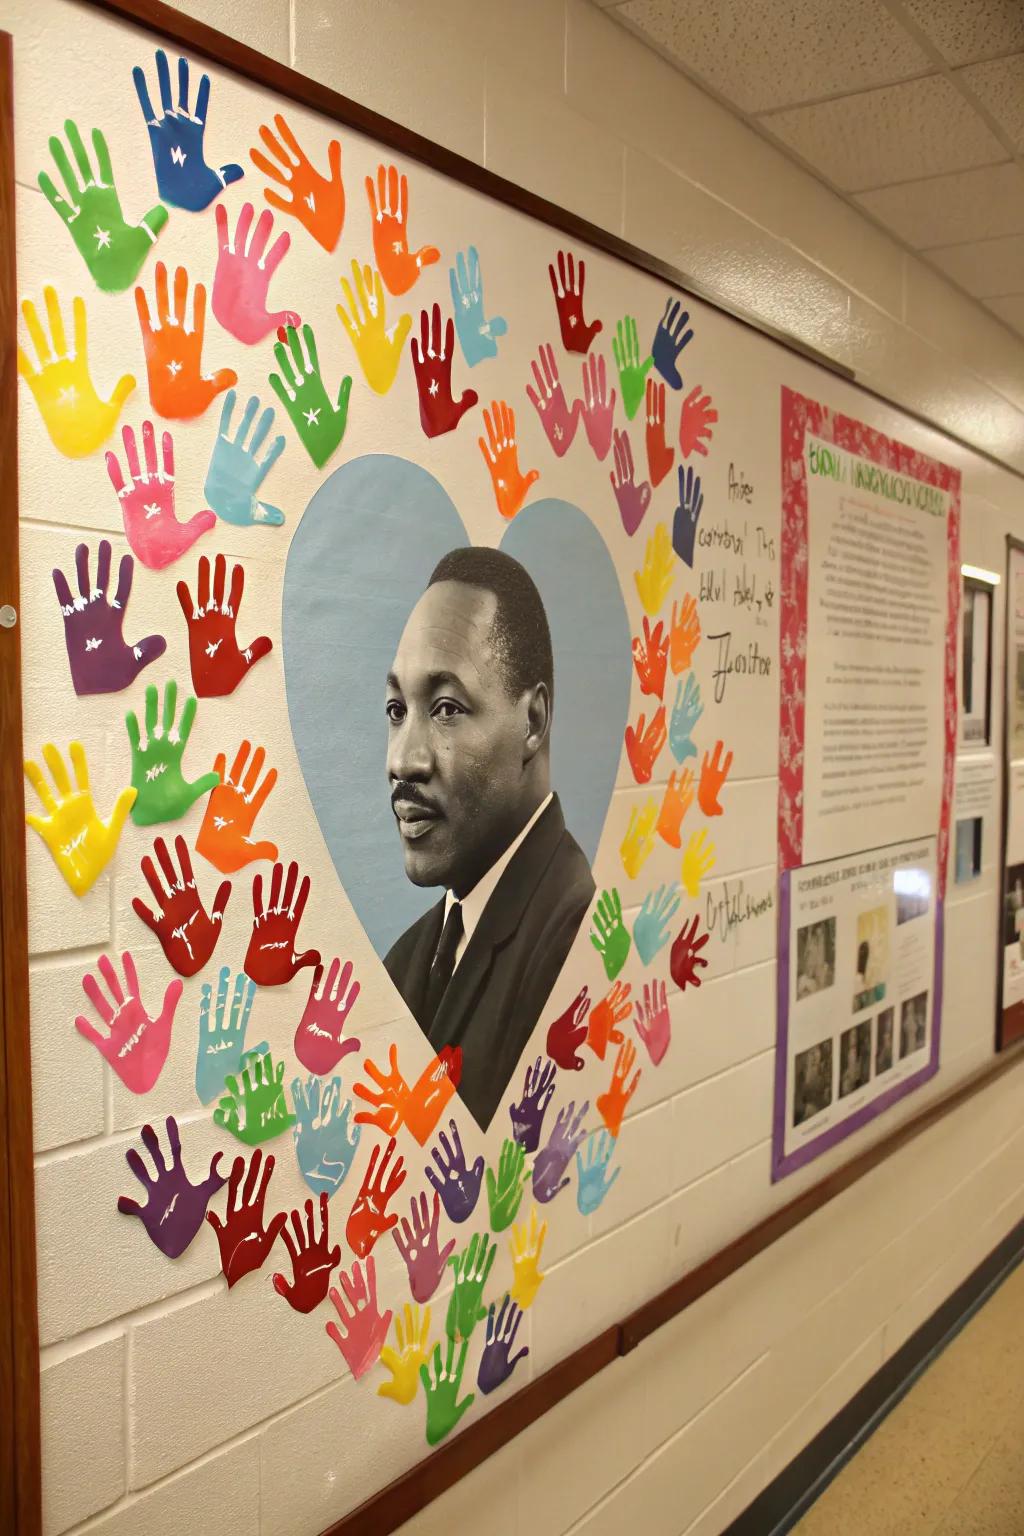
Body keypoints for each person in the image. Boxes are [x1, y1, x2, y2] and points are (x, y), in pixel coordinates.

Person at [382, 546, 595, 1129]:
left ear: (533, 722)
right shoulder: (405, 963)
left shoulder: (576, 937)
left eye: (447, 708)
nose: (404, 760)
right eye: (397, 709)